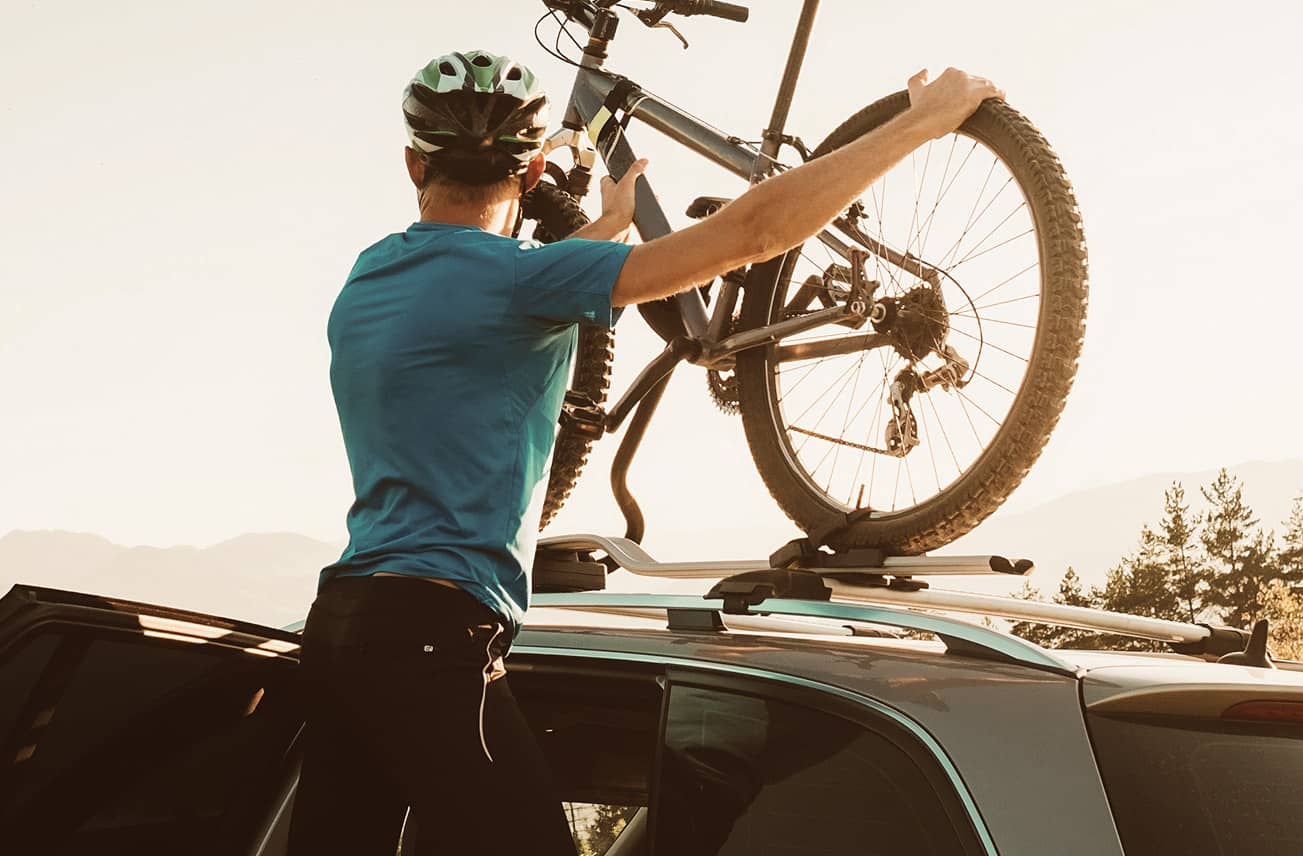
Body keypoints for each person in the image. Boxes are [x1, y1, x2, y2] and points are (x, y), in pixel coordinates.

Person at [286, 49, 1001, 854]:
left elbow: (493, 287)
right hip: (432, 633)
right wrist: (921, 122)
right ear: (528, 178)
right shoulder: (526, 281)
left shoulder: (373, 274)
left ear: (413, 163)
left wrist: (607, 230)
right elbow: (752, 233)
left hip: (344, 626)